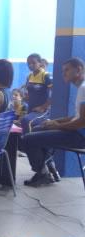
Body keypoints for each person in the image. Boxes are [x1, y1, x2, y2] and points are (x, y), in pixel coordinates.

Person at [23, 57, 85, 187]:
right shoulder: (81, 88)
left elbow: (81, 123)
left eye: (67, 70)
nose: (64, 74)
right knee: (37, 129)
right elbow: (77, 116)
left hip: (80, 136)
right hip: (77, 131)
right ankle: (48, 168)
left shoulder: (84, 88)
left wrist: (59, 126)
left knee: (28, 139)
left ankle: (43, 172)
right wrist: (54, 121)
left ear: (78, 69)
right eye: (63, 71)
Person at [21, 53, 53, 132]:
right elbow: (29, 93)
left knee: (26, 121)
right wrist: (24, 98)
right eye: (28, 63)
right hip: (31, 109)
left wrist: (43, 107)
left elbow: (55, 94)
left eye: (33, 63)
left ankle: (27, 143)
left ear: (40, 63)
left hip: (42, 111)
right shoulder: (29, 76)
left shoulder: (46, 76)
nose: (30, 65)